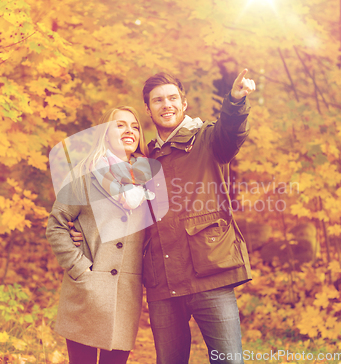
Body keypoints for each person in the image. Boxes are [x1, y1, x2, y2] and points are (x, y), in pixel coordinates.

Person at [71, 70, 255, 364]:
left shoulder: (208, 139)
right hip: (163, 283)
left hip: (211, 274)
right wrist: (78, 227)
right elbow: (119, 209)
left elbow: (232, 131)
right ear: (148, 108)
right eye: (158, 100)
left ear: (184, 103)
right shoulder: (144, 160)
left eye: (172, 98)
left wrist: (235, 100)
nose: (166, 104)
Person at [46, 106, 155, 364]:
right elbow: (57, 225)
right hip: (86, 290)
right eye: (120, 125)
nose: (129, 130)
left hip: (126, 294)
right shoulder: (84, 175)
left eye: (135, 126)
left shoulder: (148, 181)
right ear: (105, 133)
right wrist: (80, 268)